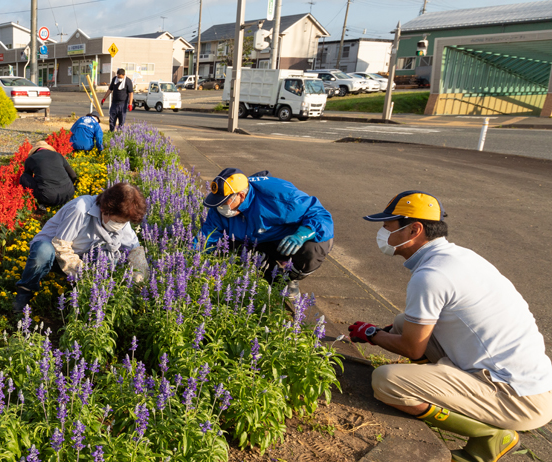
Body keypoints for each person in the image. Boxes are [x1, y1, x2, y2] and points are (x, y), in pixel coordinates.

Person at [351, 191, 552, 462]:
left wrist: (373, 334)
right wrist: (383, 333)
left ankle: (490, 437)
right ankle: (449, 387)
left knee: (387, 382)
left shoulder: (431, 275)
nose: (382, 232)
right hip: (527, 379)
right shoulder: (458, 257)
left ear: (414, 229)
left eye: (388, 226)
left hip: (517, 398)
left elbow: (412, 348)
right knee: (401, 323)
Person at [12, 182, 148, 313]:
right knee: (43, 251)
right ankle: (26, 289)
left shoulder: (121, 218)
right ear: (104, 210)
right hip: (53, 251)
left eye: (124, 222)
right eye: (118, 221)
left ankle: (85, 295)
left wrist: (139, 280)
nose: (120, 225)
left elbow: (135, 251)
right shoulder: (80, 209)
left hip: (82, 255)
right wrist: (85, 274)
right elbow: (61, 246)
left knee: (109, 259)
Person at [199, 168, 334, 293]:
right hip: (257, 240)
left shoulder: (279, 196)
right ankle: (272, 280)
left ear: (240, 195)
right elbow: (208, 236)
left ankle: (291, 278)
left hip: (287, 240)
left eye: (224, 202)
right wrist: (192, 258)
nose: (220, 207)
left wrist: (302, 234)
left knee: (313, 249)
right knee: (229, 247)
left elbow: (320, 215)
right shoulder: (219, 209)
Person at [19, 140, 77, 208]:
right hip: (69, 193)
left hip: (49, 197)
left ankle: (37, 204)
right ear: (48, 148)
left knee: (24, 176)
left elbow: (28, 178)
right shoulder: (58, 155)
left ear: (34, 151)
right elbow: (73, 175)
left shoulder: (31, 159)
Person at [100, 68, 133, 132]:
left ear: (124, 75)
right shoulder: (114, 79)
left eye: (120, 77)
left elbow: (131, 93)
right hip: (114, 103)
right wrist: (104, 98)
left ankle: (119, 134)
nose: (119, 78)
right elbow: (110, 90)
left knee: (121, 121)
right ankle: (111, 132)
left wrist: (130, 104)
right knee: (112, 119)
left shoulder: (128, 81)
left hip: (123, 104)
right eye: (118, 77)